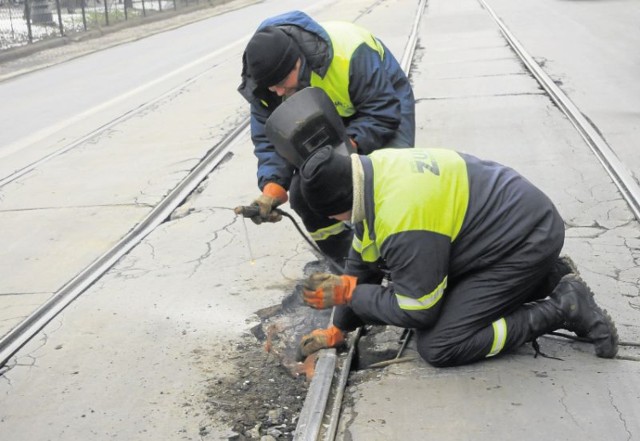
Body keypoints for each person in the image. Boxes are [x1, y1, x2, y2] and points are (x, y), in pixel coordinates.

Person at [295, 145, 619, 367]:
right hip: (507, 226)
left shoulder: (404, 216)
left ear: (338, 209)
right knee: (431, 295)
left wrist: (351, 294)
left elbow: (419, 310)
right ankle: (545, 277)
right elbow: (362, 258)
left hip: (525, 238)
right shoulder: (368, 172)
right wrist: (338, 329)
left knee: (441, 344)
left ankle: (564, 306)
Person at [237, 10, 415, 265]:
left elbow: (382, 113)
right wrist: (273, 187)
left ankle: (401, 256)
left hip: (380, 104)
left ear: (297, 61)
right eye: (270, 87)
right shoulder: (265, 86)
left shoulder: (352, 52)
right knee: (307, 192)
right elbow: (271, 140)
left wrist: (348, 150)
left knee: (386, 180)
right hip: (323, 115)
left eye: (280, 82)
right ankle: (349, 264)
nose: (277, 91)